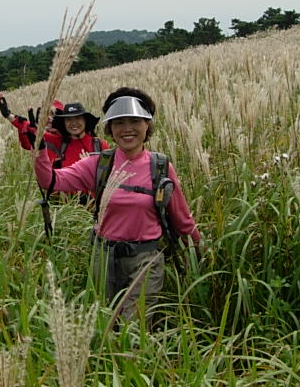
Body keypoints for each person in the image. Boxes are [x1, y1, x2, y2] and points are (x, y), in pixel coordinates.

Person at [34, 86, 200, 321]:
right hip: (104, 258)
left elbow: (182, 220)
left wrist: (200, 251)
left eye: (134, 121)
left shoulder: (160, 167)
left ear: (147, 126)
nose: (127, 129)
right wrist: (40, 151)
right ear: (110, 129)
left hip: (145, 260)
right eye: (119, 122)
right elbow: (51, 181)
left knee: (135, 328)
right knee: (106, 326)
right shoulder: (99, 164)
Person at [0, 94, 108, 168]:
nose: (73, 123)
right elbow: (32, 130)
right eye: (69, 119)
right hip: (65, 200)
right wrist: (8, 115)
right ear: (64, 123)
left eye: (78, 118)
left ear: (86, 121)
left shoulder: (99, 144)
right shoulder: (59, 142)